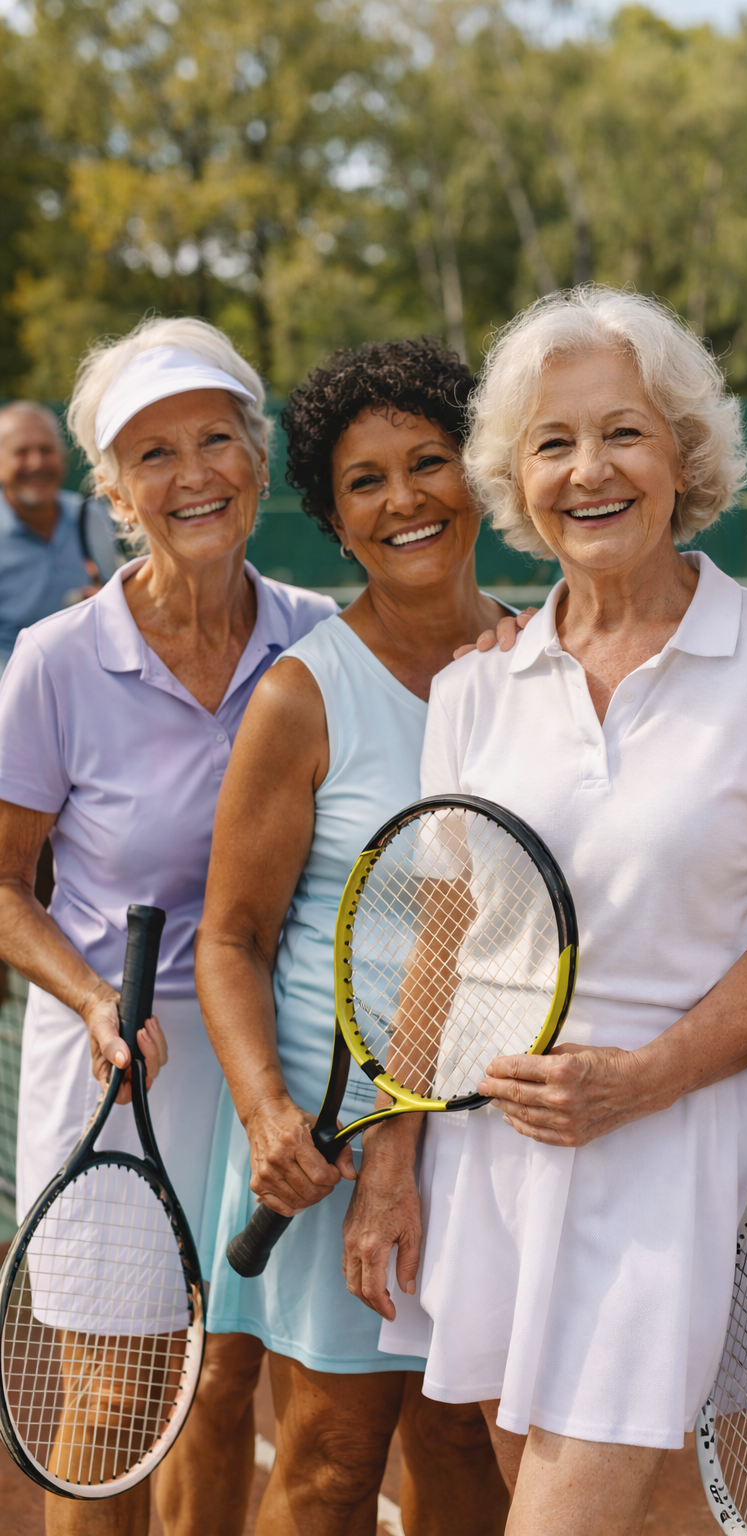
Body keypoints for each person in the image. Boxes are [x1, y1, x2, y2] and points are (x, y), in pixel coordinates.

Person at [341, 286, 747, 1536]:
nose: (590, 470)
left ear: (683, 452)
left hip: (684, 1152)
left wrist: (643, 1078)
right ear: (517, 480)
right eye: (552, 444)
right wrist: (392, 1159)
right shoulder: (477, 692)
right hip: (500, 1162)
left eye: (622, 431)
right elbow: (444, 945)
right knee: (659, 1518)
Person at [0, 316, 337, 1536]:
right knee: (114, 1401)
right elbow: (3, 886)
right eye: (153, 454)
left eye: (214, 441)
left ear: (257, 459)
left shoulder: (322, 640)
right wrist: (93, 1001)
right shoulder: (52, 662)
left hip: (273, 1065)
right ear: (114, 489)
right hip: (116, 1069)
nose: (191, 474)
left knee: (228, 1385)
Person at [194, 339, 511, 1536]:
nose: (404, 499)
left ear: (478, 475)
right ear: (331, 517)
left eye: (429, 461)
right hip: (329, 1136)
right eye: (364, 481)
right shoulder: (301, 694)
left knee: (462, 1445)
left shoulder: (545, 665)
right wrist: (271, 1113)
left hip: (488, 1133)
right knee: (329, 1458)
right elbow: (229, 938)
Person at [0, 400, 121, 670]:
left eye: (46, 450)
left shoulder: (92, 517)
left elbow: (112, 596)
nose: (36, 463)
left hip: (89, 680)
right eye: (21, 452)